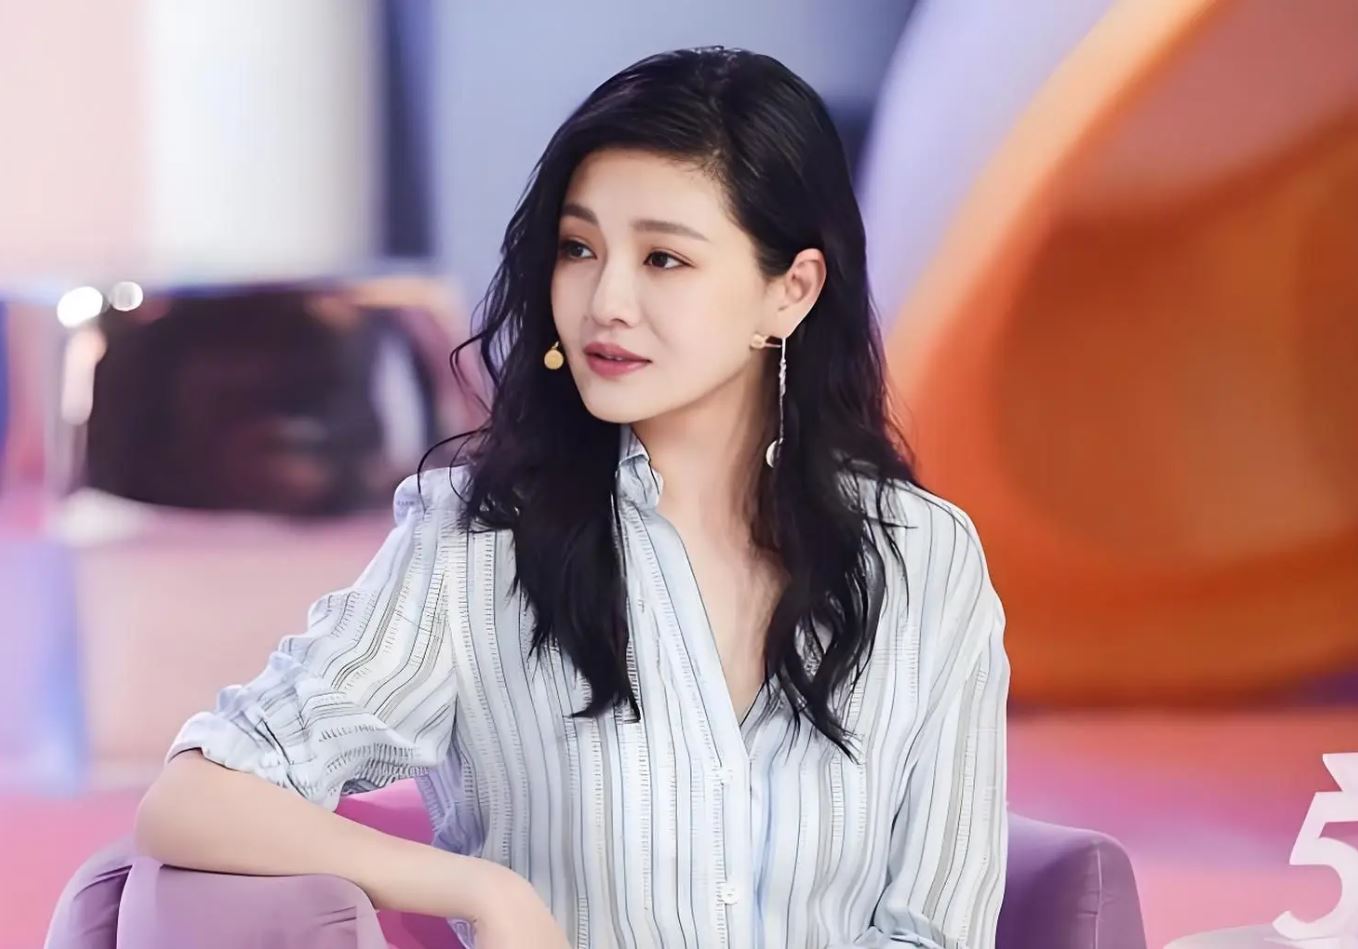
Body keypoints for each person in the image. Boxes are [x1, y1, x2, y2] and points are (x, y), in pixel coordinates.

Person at [134, 46, 1010, 949]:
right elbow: (198, 794)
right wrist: (481, 890)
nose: (606, 300)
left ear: (790, 293)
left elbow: (939, 927)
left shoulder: (921, 556)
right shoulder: (478, 546)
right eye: (579, 248)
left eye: (664, 258)